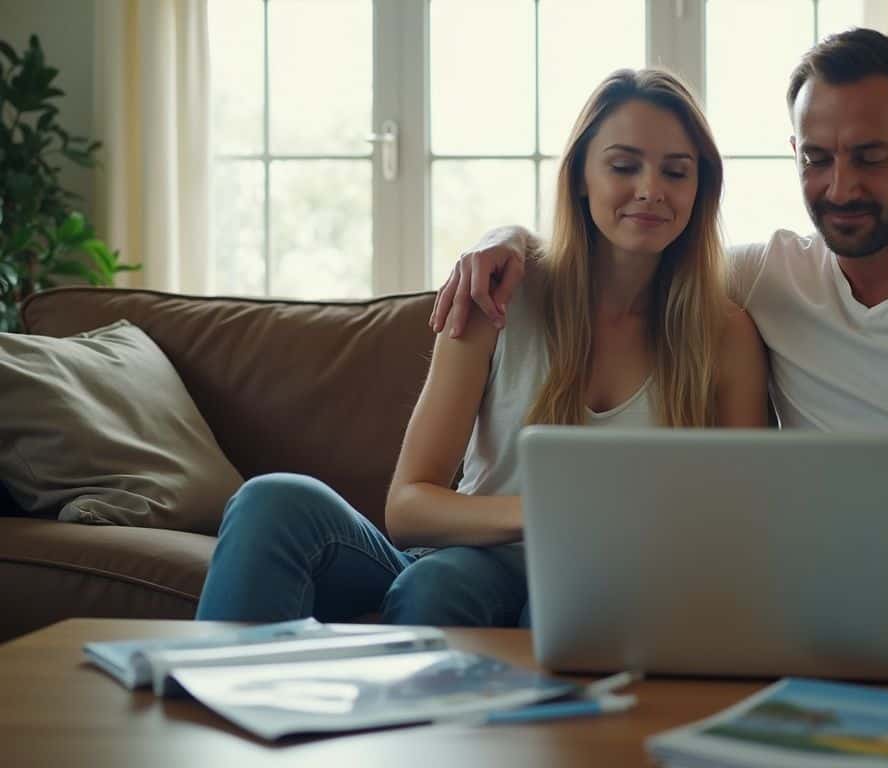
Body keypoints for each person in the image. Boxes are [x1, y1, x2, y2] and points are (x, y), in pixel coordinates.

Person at [429, 29, 888, 634]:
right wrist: (508, 241)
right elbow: (632, 253)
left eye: (870, 157)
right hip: (816, 595)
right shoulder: (762, 276)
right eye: (817, 158)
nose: (839, 189)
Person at [196, 68, 769, 627]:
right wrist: (550, 515)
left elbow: (744, 523)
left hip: (616, 581)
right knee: (277, 503)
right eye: (623, 165)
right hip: (467, 558)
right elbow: (408, 506)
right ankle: (216, 707)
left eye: (677, 172)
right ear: (579, 178)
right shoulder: (499, 293)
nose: (651, 189)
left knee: (477, 593)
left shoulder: (724, 335)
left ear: (701, 189)